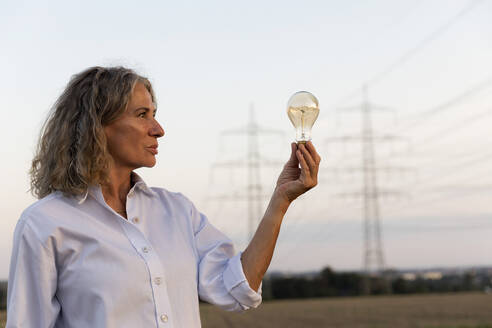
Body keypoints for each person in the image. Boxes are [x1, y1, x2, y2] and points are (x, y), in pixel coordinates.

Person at [6, 66, 321, 328]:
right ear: (96, 126)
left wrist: (280, 202)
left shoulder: (177, 211)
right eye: (142, 115)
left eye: (154, 114)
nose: (158, 129)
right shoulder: (45, 224)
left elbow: (238, 289)